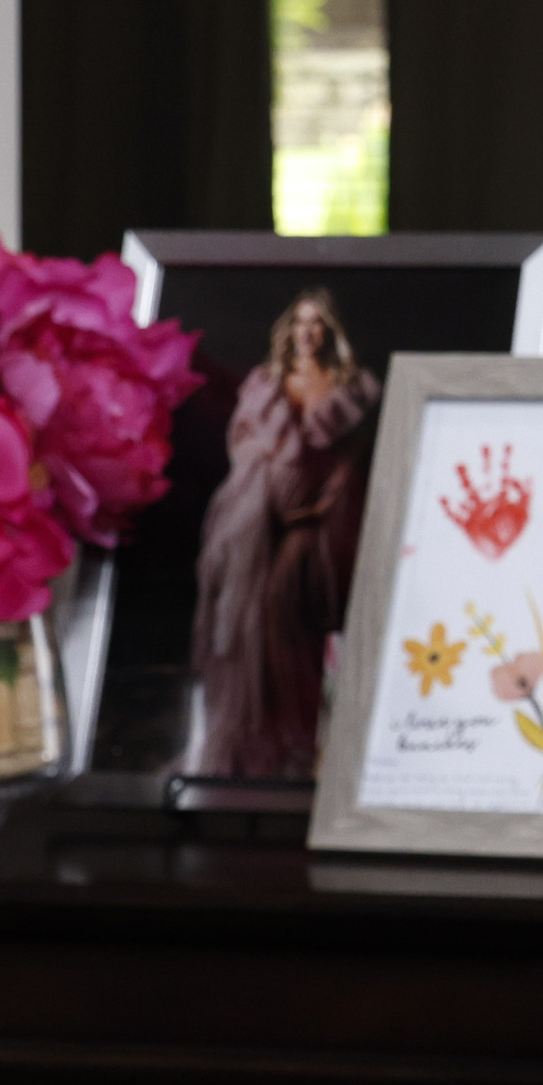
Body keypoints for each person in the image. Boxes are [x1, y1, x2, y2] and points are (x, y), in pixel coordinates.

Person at [189, 286, 377, 779]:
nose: (307, 332)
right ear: (289, 330)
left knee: (305, 625)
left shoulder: (351, 387)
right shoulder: (264, 384)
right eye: (300, 322)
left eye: (317, 324)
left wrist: (324, 501)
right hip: (255, 525)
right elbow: (242, 445)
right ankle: (262, 741)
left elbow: (352, 456)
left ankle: (310, 739)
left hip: (322, 527)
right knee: (256, 628)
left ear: (329, 332)